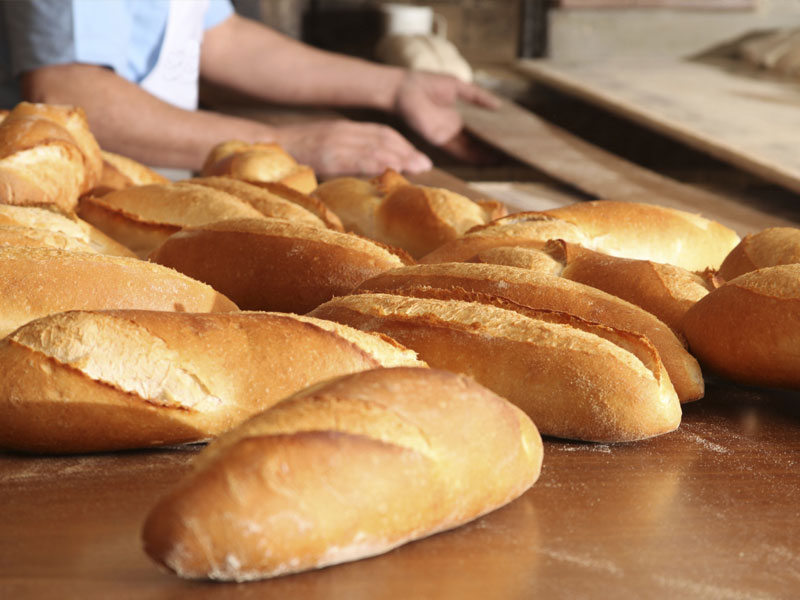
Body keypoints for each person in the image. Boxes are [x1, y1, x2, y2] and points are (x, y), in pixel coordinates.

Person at [0, 0, 499, 177]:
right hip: (58, 200)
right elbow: (70, 91)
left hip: (140, 182)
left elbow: (223, 38)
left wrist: (394, 86)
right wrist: (288, 144)